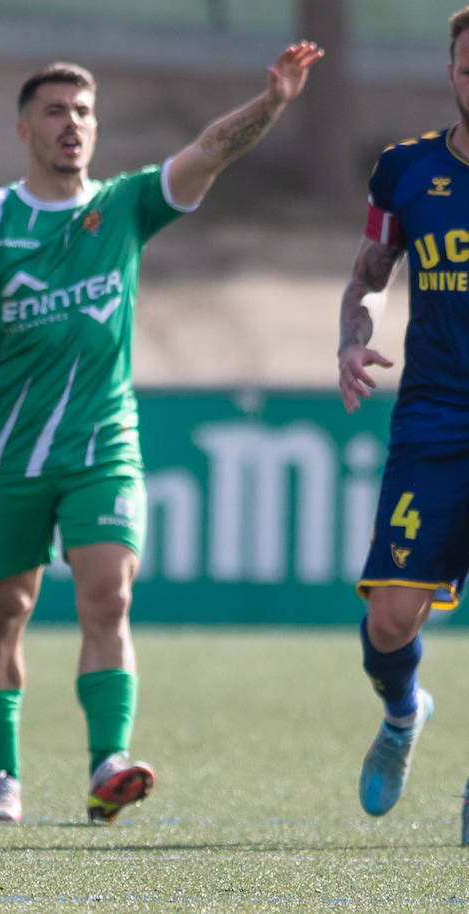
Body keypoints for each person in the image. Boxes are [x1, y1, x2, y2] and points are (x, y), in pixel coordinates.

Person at [0, 42, 324, 824]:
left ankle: (107, 764)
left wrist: (271, 103)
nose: (74, 125)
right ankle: (1, 779)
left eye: (85, 113)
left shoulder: (127, 204)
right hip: (12, 449)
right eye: (57, 111)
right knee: (5, 610)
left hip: (104, 441)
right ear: (25, 128)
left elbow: (205, 153)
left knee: (110, 598)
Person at [337, 6, 469, 820]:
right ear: (453, 71)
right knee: (390, 620)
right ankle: (401, 712)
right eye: (468, 63)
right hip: (433, 418)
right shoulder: (406, 171)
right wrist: (354, 339)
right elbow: (370, 277)